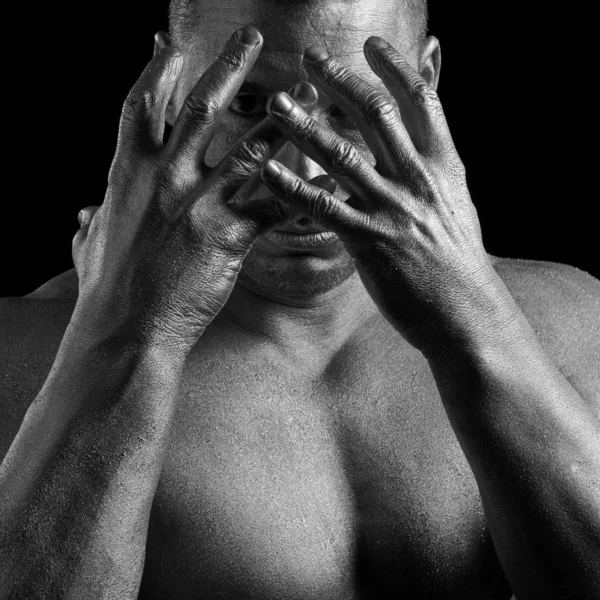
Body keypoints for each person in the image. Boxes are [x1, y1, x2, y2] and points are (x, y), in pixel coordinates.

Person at [0, 0, 598, 598]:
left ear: (425, 81)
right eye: (248, 104)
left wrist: (476, 328)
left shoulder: (574, 323)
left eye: (347, 107)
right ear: (171, 80)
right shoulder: (23, 356)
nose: (303, 169)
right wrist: (129, 336)